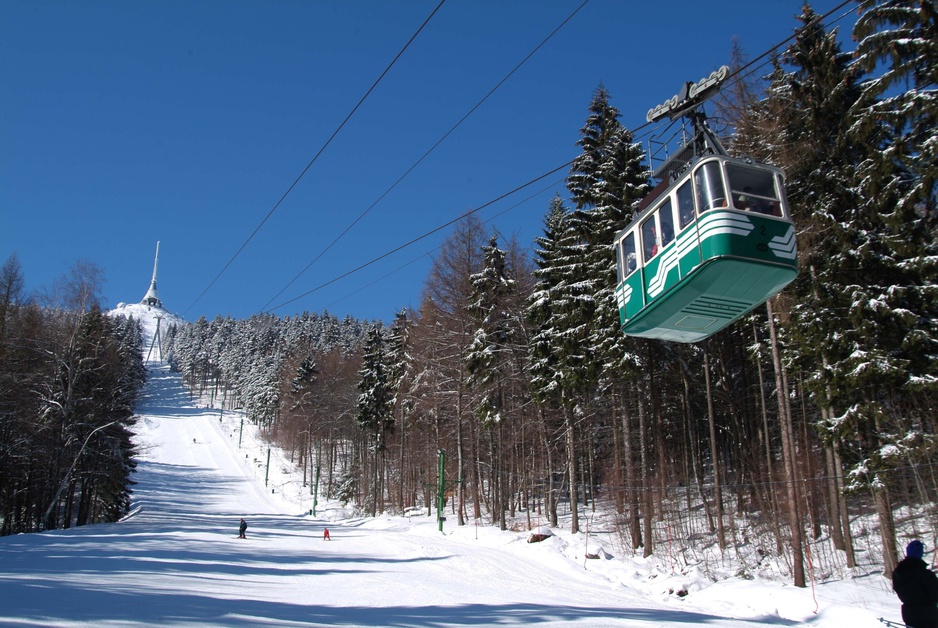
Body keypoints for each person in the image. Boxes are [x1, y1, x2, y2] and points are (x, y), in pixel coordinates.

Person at [892, 540, 938, 628]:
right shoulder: (925, 574)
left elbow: (897, 589)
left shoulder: (897, 573)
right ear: (920, 553)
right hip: (928, 615)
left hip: (908, 614)